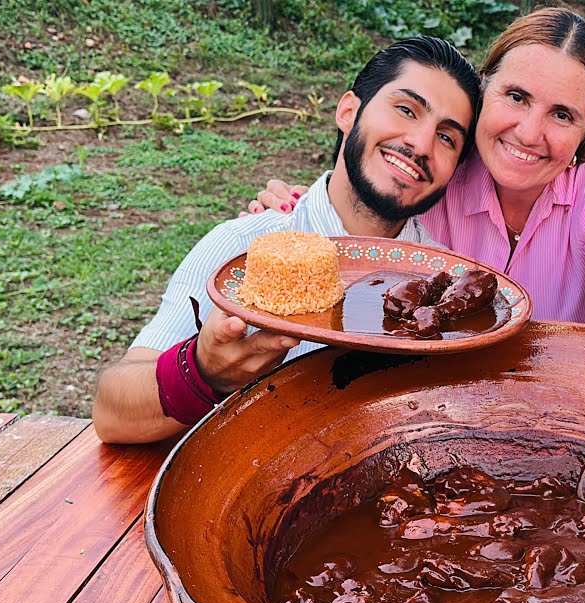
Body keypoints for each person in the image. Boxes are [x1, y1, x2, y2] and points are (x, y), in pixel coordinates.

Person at [93, 37, 481, 444]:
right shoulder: (244, 247)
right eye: (406, 110)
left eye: (447, 138)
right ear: (349, 111)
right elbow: (112, 413)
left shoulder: (446, 286)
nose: (421, 144)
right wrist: (204, 372)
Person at [248, 8, 585, 334]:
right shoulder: (440, 165)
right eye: (516, 96)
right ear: (484, 89)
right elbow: (367, 206)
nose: (529, 133)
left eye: (563, 115)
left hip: (568, 407)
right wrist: (303, 211)